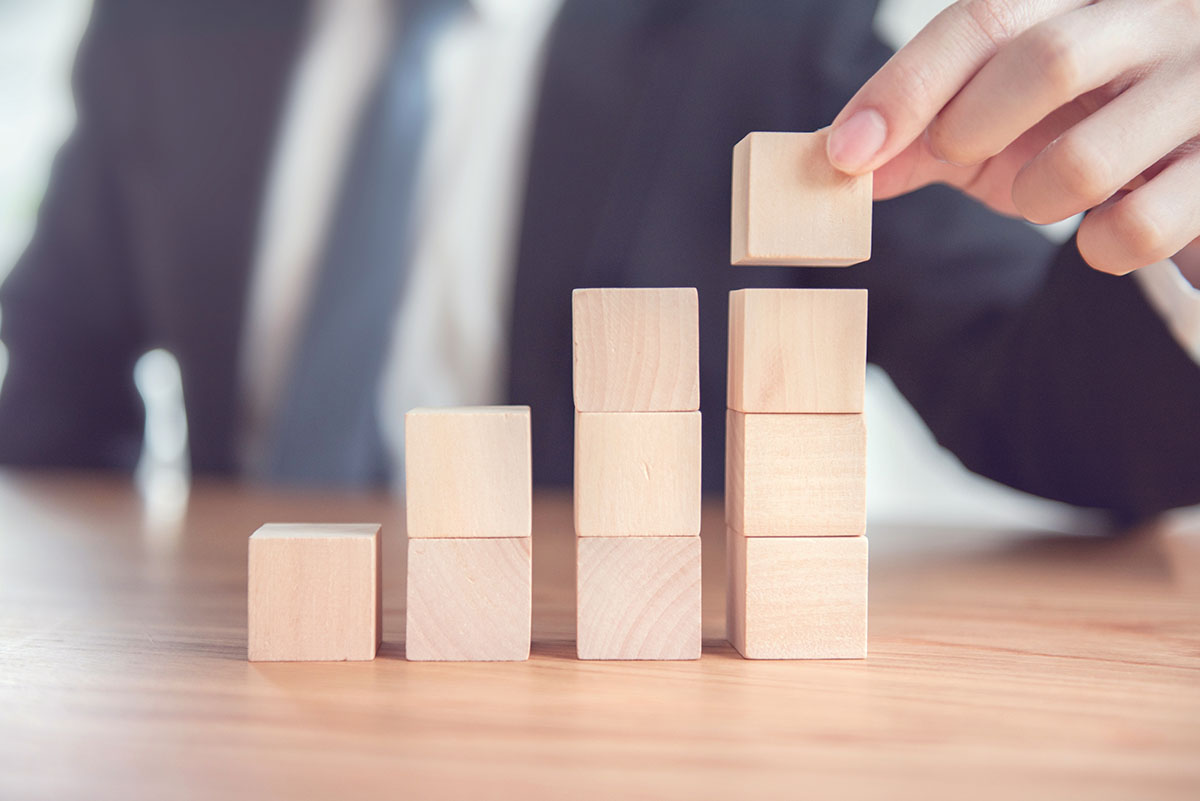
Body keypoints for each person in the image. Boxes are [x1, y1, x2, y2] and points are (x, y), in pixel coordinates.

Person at [0, 0, 1197, 525]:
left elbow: (1047, 417)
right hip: (227, 683)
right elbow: (55, 389)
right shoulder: (166, 23)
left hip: (626, 708)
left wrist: (1186, 247)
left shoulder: (787, 41)